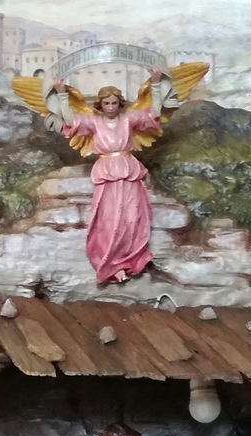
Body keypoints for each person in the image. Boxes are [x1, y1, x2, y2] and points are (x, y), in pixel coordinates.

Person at [47, 70, 174, 284]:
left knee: (133, 217)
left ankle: (129, 260)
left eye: (114, 103)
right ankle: (111, 264)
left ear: (120, 104)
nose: (111, 107)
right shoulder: (94, 122)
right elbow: (71, 120)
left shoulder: (129, 119)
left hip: (128, 170)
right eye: (106, 103)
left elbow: (153, 113)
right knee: (109, 220)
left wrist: (155, 84)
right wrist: (61, 94)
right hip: (107, 172)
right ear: (100, 105)